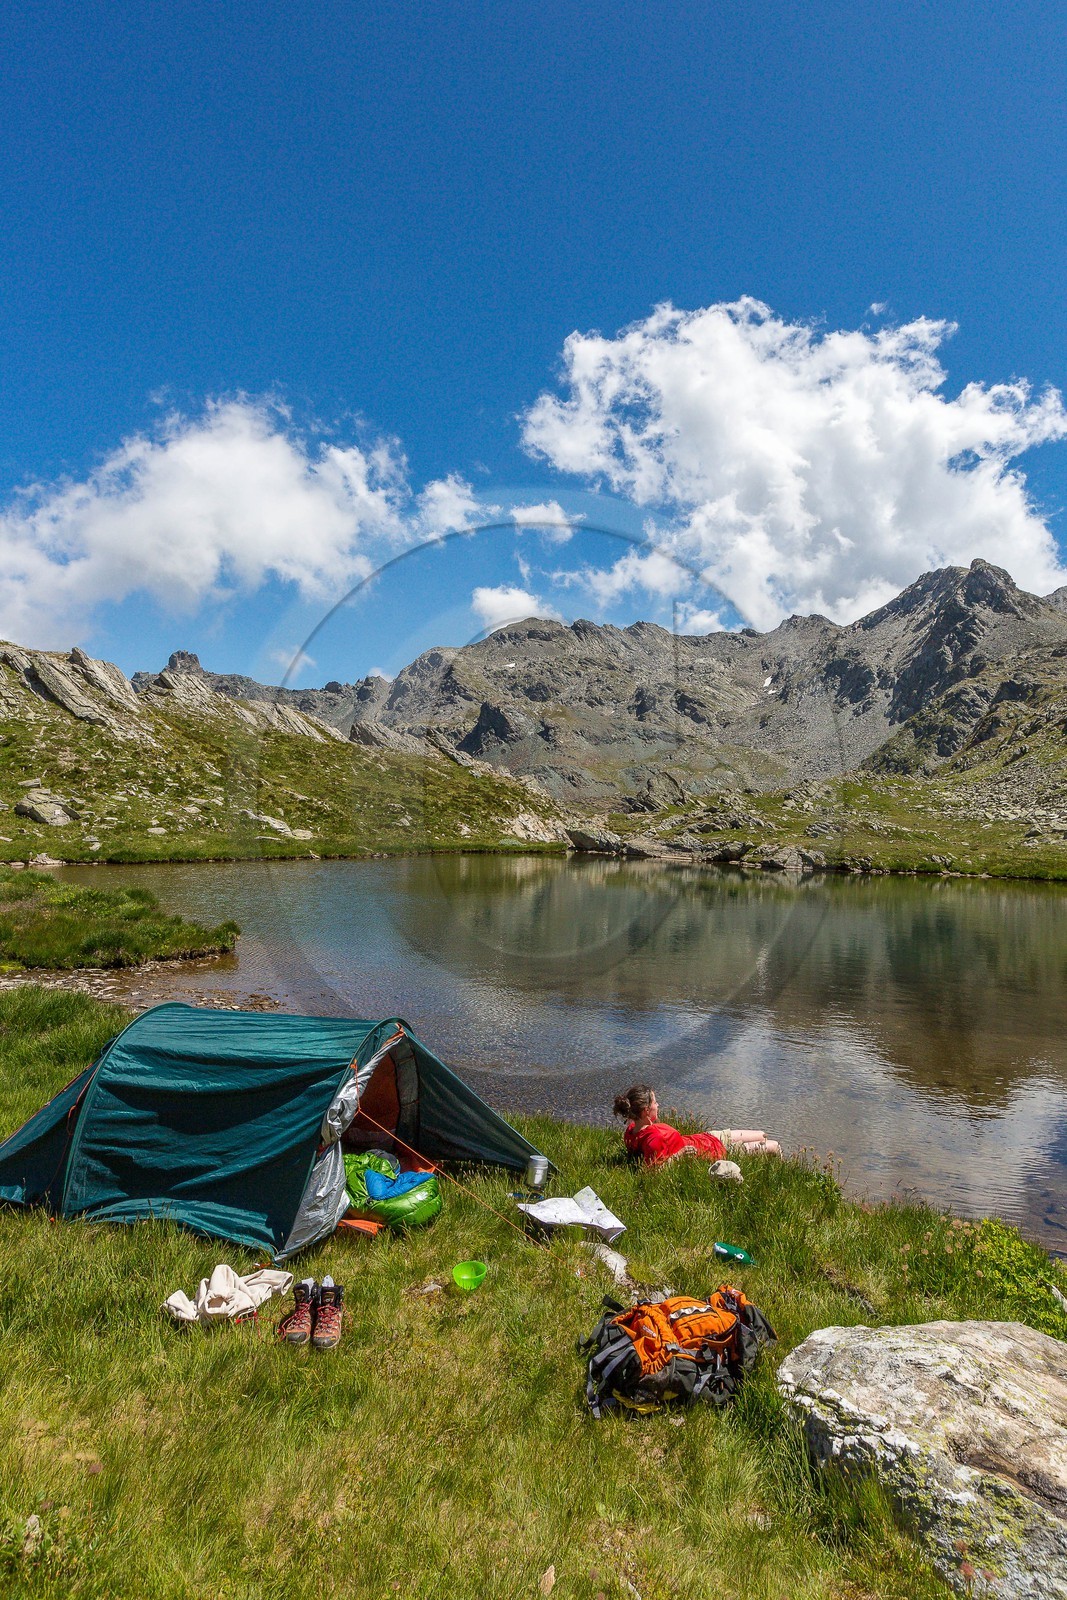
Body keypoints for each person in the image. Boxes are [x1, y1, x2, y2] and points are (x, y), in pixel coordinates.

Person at [613, 1085, 781, 1165]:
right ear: (645, 1111)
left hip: (705, 1138)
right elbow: (652, 1172)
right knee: (773, 1146)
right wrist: (680, 1155)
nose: (658, 1105)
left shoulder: (631, 1131)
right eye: (655, 1103)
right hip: (713, 1151)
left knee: (761, 1134)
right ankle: (780, 1170)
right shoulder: (653, 1139)